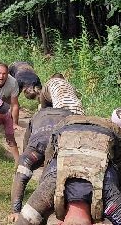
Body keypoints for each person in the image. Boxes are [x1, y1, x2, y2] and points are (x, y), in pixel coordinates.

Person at [11, 75, 84, 217]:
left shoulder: (38, 115)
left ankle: (15, 211)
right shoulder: (68, 115)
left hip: (37, 145)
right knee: (50, 178)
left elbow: (27, 142)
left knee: (22, 173)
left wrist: (27, 159)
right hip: (60, 145)